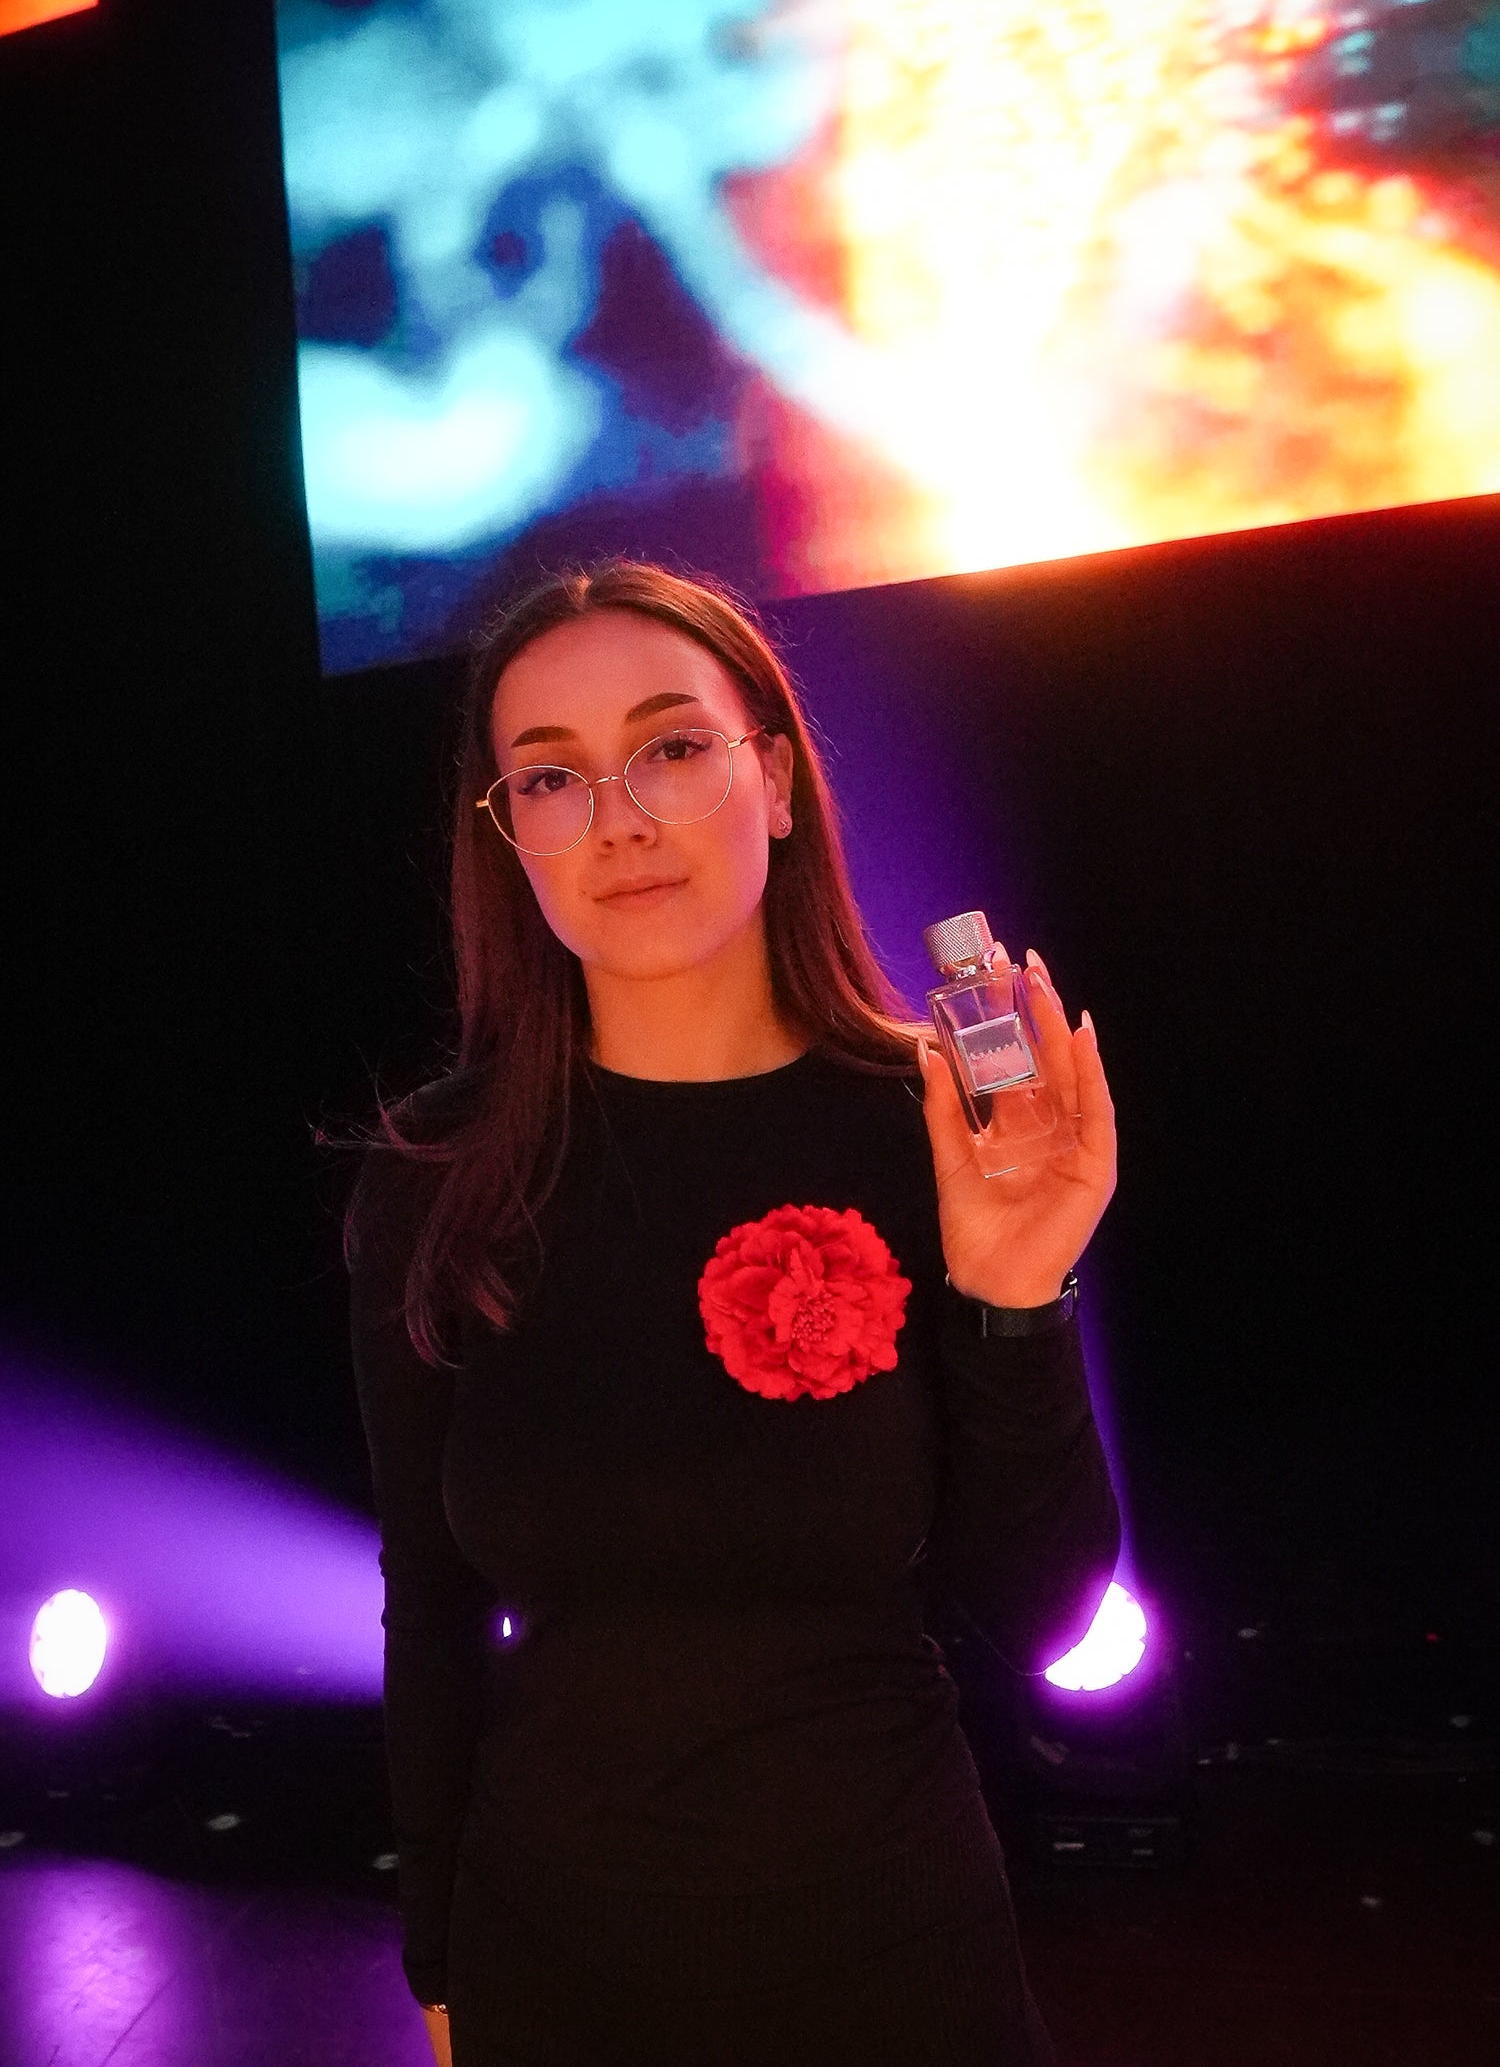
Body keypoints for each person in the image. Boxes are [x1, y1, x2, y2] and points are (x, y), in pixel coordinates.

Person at [346, 559, 1121, 2066]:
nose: (618, 818)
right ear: (509, 840)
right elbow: (427, 1605)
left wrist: (1018, 1294)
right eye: (551, 779)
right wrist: (436, 1959)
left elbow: (1044, 1614)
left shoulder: (936, 1125)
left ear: (773, 778)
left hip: (894, 1957)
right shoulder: (437, 1176)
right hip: (555, 1961)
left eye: (672, 747)